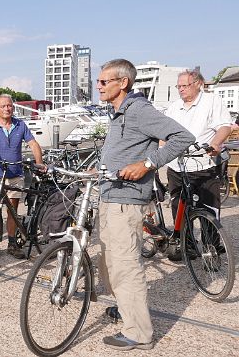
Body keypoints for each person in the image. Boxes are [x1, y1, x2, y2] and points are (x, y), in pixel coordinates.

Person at [96, 59, 194, 350]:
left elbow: (182, 137)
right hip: (108, 195)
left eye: (104, 82)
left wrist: (148, 164)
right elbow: (122, 151)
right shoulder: (117, 113)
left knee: (126, 266)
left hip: (126, 201)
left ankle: (139, 333)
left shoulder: (139, 110)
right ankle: (127, 311)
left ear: (122, 83)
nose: (98, 86)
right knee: (110, 263)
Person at [0, 94, 44, 259]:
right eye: (3, 106)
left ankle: (12, 243)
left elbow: (33, 143)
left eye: (10, 106)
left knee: (12, 210)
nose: (7, 108)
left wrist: (39, 162)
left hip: (15, 174)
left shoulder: (20, 125)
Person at [164, 69, 232, 226]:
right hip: (177, 167)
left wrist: (215, 143)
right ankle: (185, 247)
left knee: (209, 209)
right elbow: (164, 134)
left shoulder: (211, 101)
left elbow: (224, 126)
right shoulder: (174, 106)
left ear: (198, 84)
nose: (181, 89)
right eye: (178, 86)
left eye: (185, 85)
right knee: (179, 210)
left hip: (203, 165)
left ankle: (213, 246)